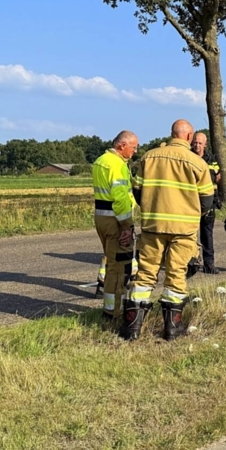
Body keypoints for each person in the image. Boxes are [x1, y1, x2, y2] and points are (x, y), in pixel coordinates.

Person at [121, 120, 214, 341]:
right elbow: (207, 200)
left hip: (153, 226)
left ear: (171, 134)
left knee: (145, 274)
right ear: (189, 137)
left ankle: (132, 328)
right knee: (176, 275)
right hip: (184, 229)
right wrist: (192, 214)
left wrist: (151, 209)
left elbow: (137, 190)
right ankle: (172, 329)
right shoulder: (197, 163)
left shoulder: (149, 157)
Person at [92, 131, 138, 322]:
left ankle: (109, 309)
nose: (135, 151)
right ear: (122, 146)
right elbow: (119, 198)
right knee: (120, 269)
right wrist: (126, 226)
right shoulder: (117, 165)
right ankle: (114, 313)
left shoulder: (100, 161)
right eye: (133, 147)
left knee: (111, 264)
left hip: (101, 218)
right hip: (116, 221)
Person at [187, 131, 222, 276]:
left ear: (205, 144)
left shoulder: (212, 160)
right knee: (190, 236)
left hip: (208, 204)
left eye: (200, 143)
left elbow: (218, 178)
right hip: (190, 203)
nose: (197, 145)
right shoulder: (187, 157)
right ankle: (191, 263)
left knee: (207, 234)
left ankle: (209, 264)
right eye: (195, 142)